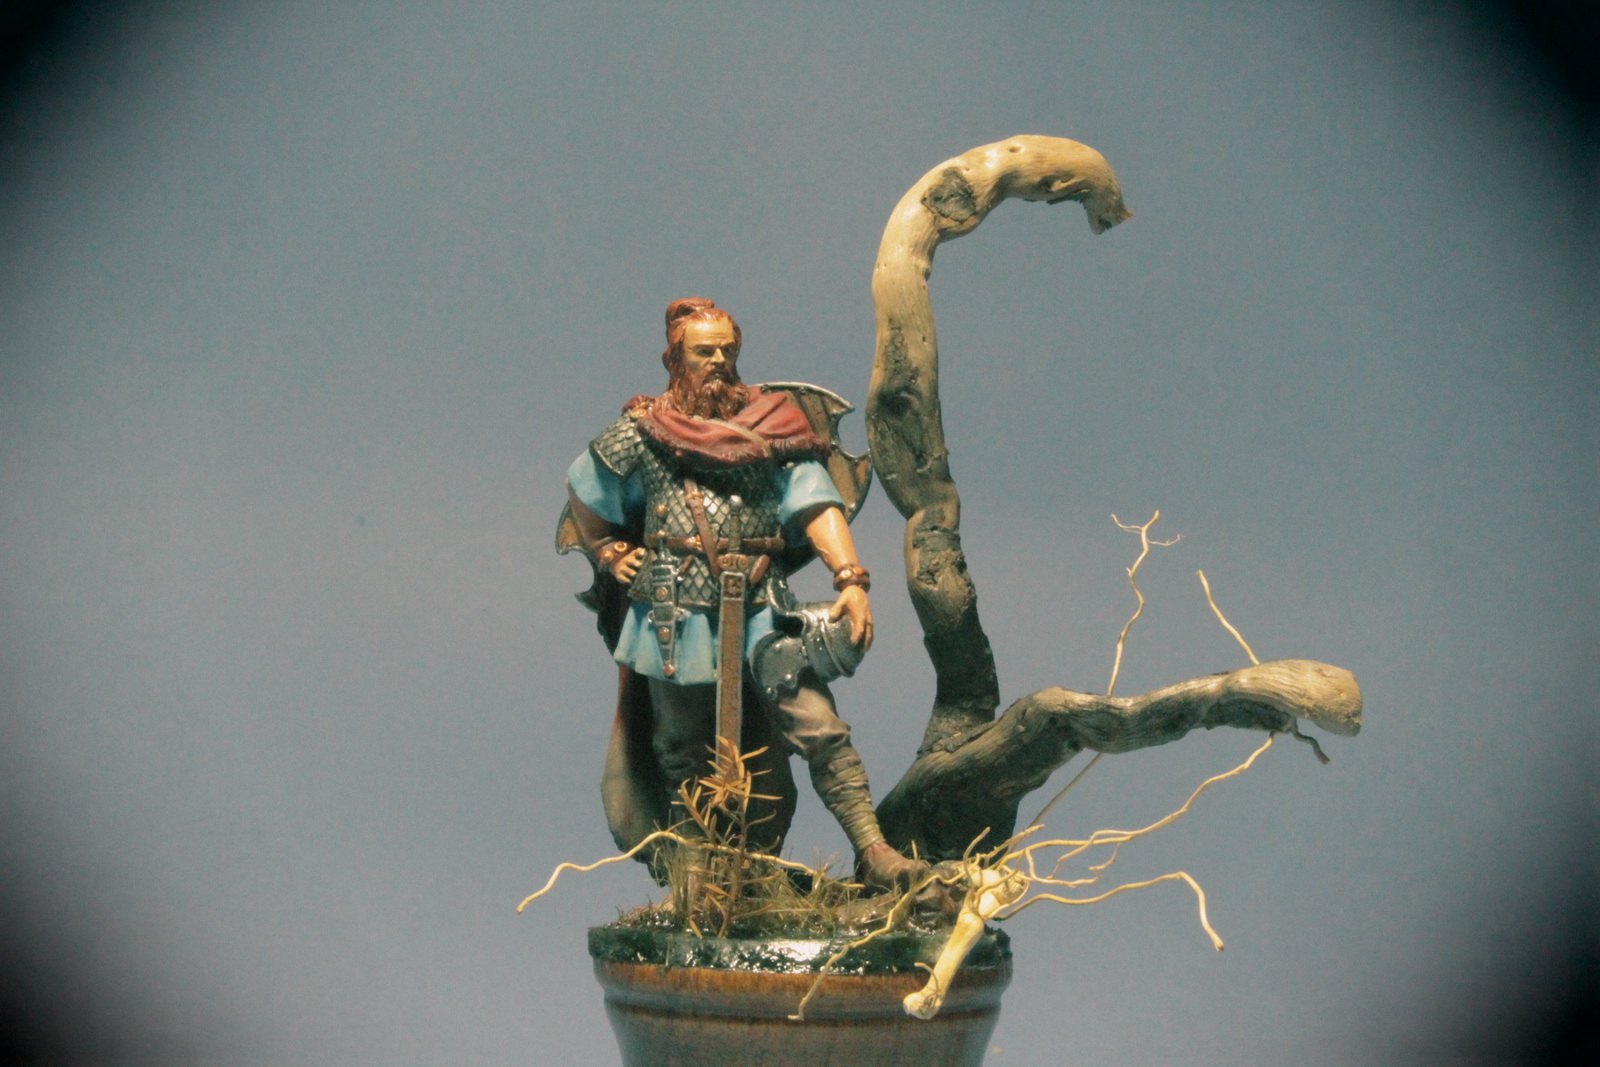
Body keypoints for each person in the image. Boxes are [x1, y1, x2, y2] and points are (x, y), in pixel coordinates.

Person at [561, 297, 923, 890]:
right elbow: (585, 485)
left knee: (819, 727)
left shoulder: (774, 424)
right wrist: (608, 550)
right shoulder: (642, 431)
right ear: (675, 357)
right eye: (703, 351)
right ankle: (694, 878)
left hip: (761, 605)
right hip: (672, 610)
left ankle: (873, 850)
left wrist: (850, 579)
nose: (718, 361)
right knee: (681, 747)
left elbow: (816, 503)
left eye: (726, 350)